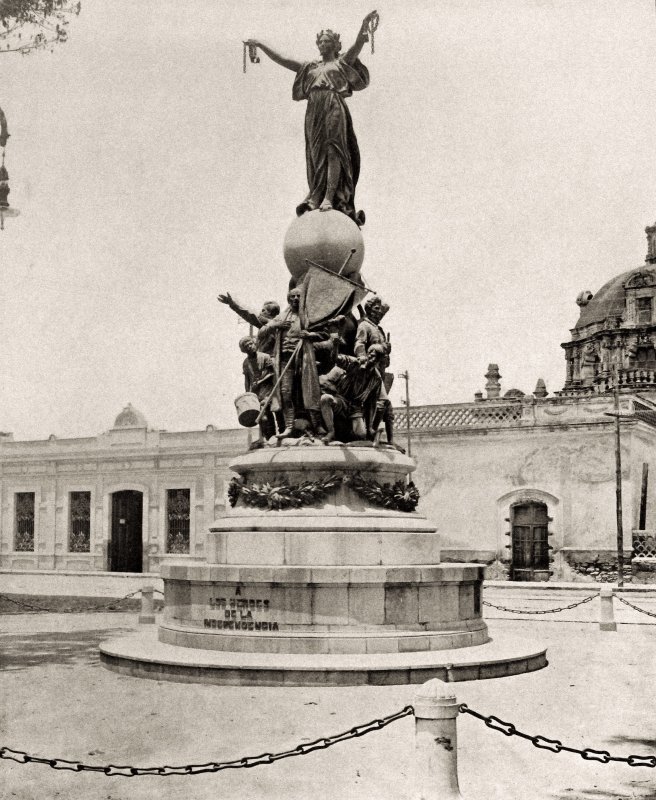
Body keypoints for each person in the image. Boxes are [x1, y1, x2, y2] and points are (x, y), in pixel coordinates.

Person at [245, 10, 378, 225]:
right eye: (321, 42)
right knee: (316, 154)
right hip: (314, 110)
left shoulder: (341, 63)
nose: (322, 45)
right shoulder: (310, 68)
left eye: (326, 42)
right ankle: (315, 194)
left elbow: (355, 47)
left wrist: (364, 27)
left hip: (333, 106)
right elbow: (284, 60)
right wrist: (260, 45)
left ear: (334, 45)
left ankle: (329, 197)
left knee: (334, 149)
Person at [259, 287, 328, 439]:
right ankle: (289, 426)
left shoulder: (308, 316)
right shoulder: (282, 316)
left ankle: (317, 425)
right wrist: (276, 326)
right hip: (285, 360)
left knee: (310, 391)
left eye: (299, 296)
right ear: (288, 299)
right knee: (285, 392)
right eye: (293, 296)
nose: (296, 299)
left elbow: (325, 334)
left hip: (303, 358)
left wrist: (310, 335)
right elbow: (262, 331)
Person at [319, 344, 386, 443]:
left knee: (361, 435)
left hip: (356, 407)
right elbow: (336, 358)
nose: (372, 359)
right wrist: (336, 345)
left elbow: (371, 403)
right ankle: (331, 432)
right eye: (371, 355)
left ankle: (346, 434)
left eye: (376, 357)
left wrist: (370, 426)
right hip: (341, 400)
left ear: (379, 360)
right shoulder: (354, 362)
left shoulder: (376, 379)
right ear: (367, 354)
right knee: (325, 399)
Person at [239, 336, 279, 443]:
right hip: (256, 393)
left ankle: (275, 436)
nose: (250, 347)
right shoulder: (246, 363)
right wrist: (247, 394)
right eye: (246, 346)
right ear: (244, 350)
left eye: (251, 344)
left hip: (269, 389)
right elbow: (247, 380)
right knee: (262, 417)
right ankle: (269, 437)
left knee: (273, 412)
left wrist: (260, 381)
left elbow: (272, 373)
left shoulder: (265, 357)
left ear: (254, 344)